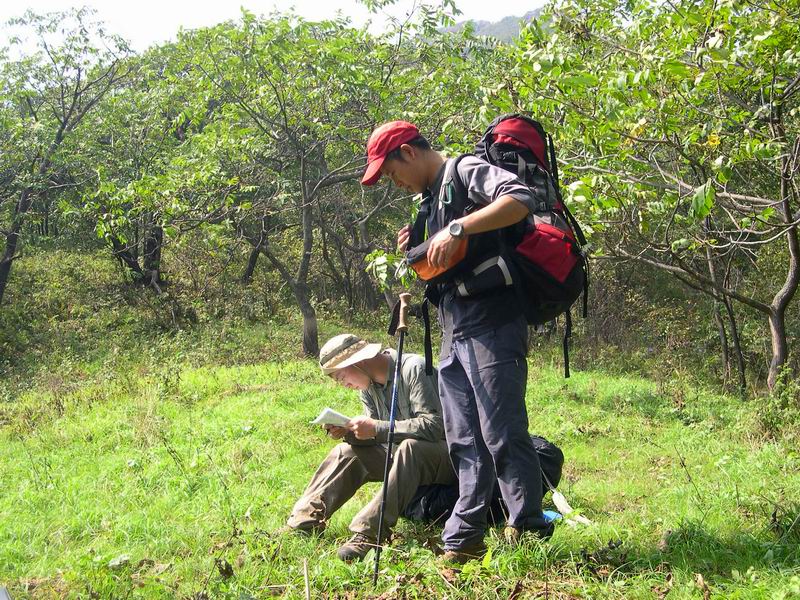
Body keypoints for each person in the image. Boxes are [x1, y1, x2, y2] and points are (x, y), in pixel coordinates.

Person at [361, 120, 553, 563]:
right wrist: (419, 242)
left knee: (501, 430)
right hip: (455, 326)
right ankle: (465, 537)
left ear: (409, 152)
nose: (394, 182)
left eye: (391, 172)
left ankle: (527, 527)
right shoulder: (430, 200)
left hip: (493, 320)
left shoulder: (465, 169)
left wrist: (457, 229)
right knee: (463, 437)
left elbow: (519, 197)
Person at [284, 333, 455, 562]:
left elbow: (435, 426)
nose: (344, 385)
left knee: (410, 448)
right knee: (346, 452)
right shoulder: (367, 388)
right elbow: (378, 438)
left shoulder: (414, 368)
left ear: (358, 361)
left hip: (450, 457)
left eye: (341, 377)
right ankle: (303, 521)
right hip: (404, 456)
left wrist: (376, 428)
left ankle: (368, 534)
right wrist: (350, 432)